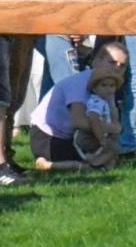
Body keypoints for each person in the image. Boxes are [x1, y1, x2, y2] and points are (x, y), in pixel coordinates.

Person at [30, 41, 129, 170]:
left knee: (111, 154)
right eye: (112, 62)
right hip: (48, 138)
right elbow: (79, 122)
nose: (117, 68)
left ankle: (94, 161)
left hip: (72, 135)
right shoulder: (80, 83)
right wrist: (109, 129)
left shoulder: (106, 84)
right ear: (97, 60)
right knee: (99, 160)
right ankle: (50, 164)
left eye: (122, 66)